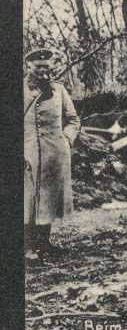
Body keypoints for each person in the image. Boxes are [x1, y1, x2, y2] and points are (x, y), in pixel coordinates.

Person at [24, 49, 81, 261]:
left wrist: (66, 140)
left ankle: (44, 243)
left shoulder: (58, 90)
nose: (43, 73)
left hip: (55, 154)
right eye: (38, 68)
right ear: (28, 66)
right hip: (29, 154)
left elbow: (73, 120)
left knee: (48, 200)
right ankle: (28, 247)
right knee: (28, 201)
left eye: (46, 68)